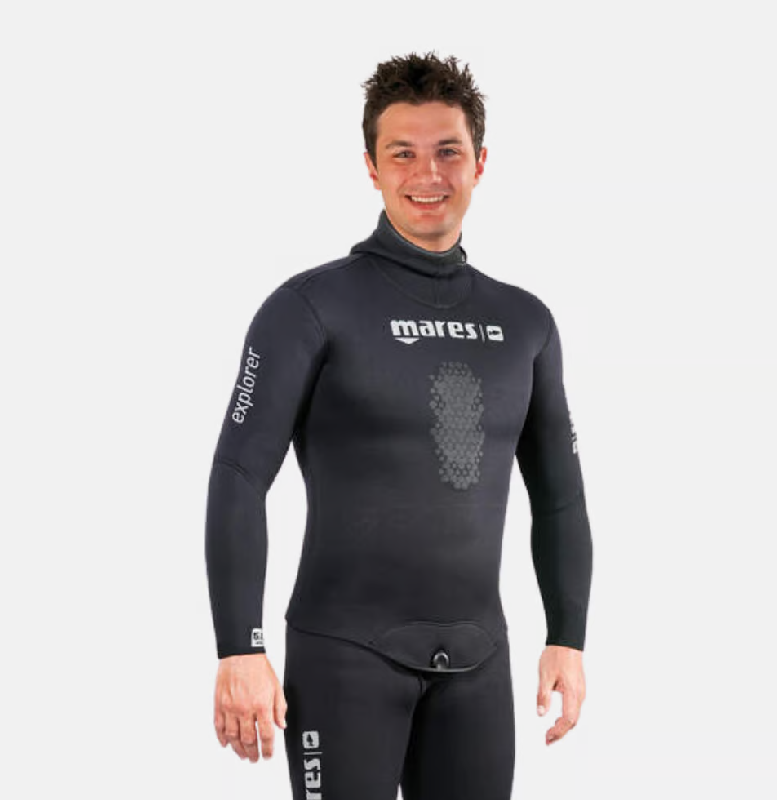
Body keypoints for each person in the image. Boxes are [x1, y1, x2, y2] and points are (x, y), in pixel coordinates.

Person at [205, 51, 593, 799]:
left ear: (480, 163)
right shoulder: (308, 309)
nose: (428, 174)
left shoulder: (525, 323)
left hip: (480, 663)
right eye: (403, 154)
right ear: (371, 167)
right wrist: (238, 647)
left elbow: (561, 495)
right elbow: (238, 475)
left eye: (448, 151)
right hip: (342, 658)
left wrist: (567, 638)